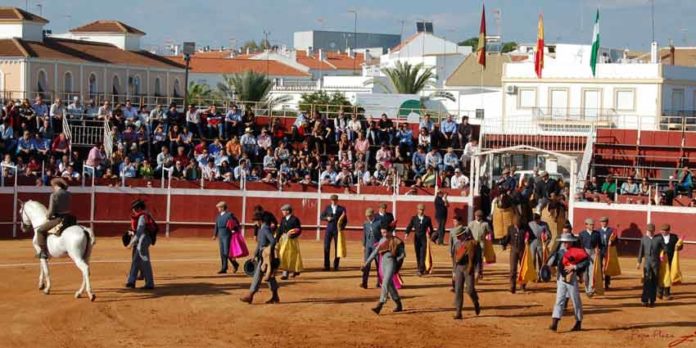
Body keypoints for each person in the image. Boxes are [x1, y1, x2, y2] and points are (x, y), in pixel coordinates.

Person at [547, 232, 589, 332]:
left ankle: (578, 322)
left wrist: (574, 267)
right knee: (559, 300)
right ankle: (555, 322)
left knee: (575, 300)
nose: (565, 244)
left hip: (572, 279)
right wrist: (550, 262)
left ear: (571, 242)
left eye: (567, 242)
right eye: (564, 242)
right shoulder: (560, 252)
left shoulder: (576, 251)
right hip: (561, 278)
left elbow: (586, 261)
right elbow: (551, 263)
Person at [363, 227, 405, 315]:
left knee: (385, 283)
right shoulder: (382, 240)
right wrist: (366, 264)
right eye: (382, 232)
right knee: (390, 285)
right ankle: (399, 304)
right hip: (383, 264)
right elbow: (375, 252)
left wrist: (395, 261)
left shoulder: (397, 241)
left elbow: (402, 255)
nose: (383, 234)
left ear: (390, 232)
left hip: (391, 263)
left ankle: (380, 304)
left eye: (385, 232)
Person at [240, 213, 280, 304]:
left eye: (255, 221)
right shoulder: (262, 229)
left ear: (260, 221)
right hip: (262, 255)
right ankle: (275, 296)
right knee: (268, 277)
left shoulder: (265, 229)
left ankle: (250, 295)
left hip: (266, 257)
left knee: (262, 276)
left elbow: (273, 241)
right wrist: (255, 255)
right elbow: (259, 244)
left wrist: (268, 251)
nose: (254, 223)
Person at [35, 178, 72, 259]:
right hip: (69, 219)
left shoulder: (54, 195)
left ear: (56, 185)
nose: (52, 187)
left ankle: (44, 252)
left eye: (52, 186)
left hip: (59, 219)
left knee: (40, 231)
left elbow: (51, 210)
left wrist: (48, 216)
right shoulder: (69, 193)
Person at [452, 226, 481, 320]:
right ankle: (458, 312)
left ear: (464, 234)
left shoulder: (473, 243)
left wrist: (477, 271)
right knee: (458, 290)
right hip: (459, 268)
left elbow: (478, 259)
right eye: (457, 236)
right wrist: (454, 271)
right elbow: (454, 259)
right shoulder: (456, 244)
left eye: (459, 235)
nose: (457, 237)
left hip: (469, 267)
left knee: (470, 289)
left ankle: (475, 301)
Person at [125, 199, 155, 289]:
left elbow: (140, 231)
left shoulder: (142, 216)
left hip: (143, 240)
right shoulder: (144, 215)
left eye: (134, 208)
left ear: (138, 208)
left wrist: (131, 243)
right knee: (136, 260)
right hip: (142, 239)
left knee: (144, 261)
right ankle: (131, 281)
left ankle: (149, 284)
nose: (133, 210)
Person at [501, 215, 533, 294]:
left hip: (523, 250)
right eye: (515, 224)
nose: (516, 226)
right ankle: (512, 287)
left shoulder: (525, 228)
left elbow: (532, 237)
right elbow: (507, 238)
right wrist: (503, 244)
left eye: (518, 224)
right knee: (513, 270)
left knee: (524, 269)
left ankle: (522, 286)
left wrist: (528, 241)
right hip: (514, 250)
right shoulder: (510, 228)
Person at [637, 223, 662, 307]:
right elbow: (641, 251)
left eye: (651, 231)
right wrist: (639, 262)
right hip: (647, 263)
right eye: (648, 231)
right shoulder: (643, 239)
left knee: (654, 281)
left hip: (656, 263)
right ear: (646, 230)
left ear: (654, 231)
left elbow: (663, 249)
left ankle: (652, 300)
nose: (650, 232)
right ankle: (644, 299)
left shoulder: (659, 239)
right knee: (647, 281)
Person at [405, 204, 434, 276]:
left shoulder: (427, 219)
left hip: (424, 238)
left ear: (424, 210)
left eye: (422, 210)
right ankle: (420, 268)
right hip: (416, 238)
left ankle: (421, 270)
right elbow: (410, 226)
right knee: (418, 253)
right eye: (420, 210)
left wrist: (431, 235)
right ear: (417, 210)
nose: (421, 211)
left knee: (423, 254)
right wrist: (406, 233)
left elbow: (431, 228)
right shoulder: (414, 218)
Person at [212, 201, 240, 274]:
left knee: (227, 252)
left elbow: (236, 223)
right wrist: (215, 234)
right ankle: (224, 268)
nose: (218, 209)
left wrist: (234, 230)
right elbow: (216, 226)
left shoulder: (229, 215)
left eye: (218, 207)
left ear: (222, 208)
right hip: (221, 236)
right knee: (222, 252)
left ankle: (235, 264)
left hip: (227, 235)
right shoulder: (218, 216)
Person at [321, 194, 347, 271]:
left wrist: (341, 228)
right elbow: (321, 217)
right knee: (326, 247)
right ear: (331, 200)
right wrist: (326, 218)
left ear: (337, 200)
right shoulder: (327, 208)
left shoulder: (342, 209)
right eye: (332, 200)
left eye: (335, 200)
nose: (334, 201)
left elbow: (345, 221)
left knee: (337, 248)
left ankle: (336, 266)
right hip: (329, 229)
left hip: (337, 230)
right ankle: (327, 266)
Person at [276, 204, 303, 279]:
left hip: (292, 240)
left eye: (283, 210)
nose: (282, 212)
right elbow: (280, 230)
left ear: (288, 211)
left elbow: (298, 229)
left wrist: (292, 235)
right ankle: (286, 272)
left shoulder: (294, 219)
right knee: (283, 254)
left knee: (292, 255)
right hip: (284, 239)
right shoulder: (283, 219)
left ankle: (294, 270)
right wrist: (277, 239)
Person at [658, 224, 681, 300]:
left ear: (669, 231)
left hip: (670, 259)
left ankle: (666, 293)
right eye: (662, 231)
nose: (663, 232)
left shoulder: (674, 237)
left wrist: (679, 246)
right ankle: (659, 292)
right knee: (660, 275)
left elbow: (680, 246)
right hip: (660, 260)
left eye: (665, 231)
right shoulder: (657, 237)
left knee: (668, 276)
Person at [578, 218, 601, 297]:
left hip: (593, 253)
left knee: (592, 271)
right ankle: (587, 288)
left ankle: (591, 289)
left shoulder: (597, 234)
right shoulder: (582, 234)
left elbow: (599, 244)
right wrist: (584, 254)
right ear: (586, 225)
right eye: (590, 225)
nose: (592, 226)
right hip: (584, 253)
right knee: (585, 273)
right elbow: (580, 246)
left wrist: (598, 250)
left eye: (593, 225)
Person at [361, 208, 382, 289]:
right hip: (368, 246)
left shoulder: (379, 222)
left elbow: (382, 235)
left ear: (373, 214)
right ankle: (364, 282)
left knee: (378, 266)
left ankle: (379, 282)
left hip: (377, 247)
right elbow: (364, 235)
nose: (368, 217)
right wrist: (363, 245)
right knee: (366, 265)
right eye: (367, 216)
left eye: (370, 216)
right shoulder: (365, 223)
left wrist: (381, 245)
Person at [467, 210, 492, 279]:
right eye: (475, 216)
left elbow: (490, 232)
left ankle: (480, 272)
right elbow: (467, 232)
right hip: (472, 243)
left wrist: (488, 237)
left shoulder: (485, 224)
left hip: (481, 243)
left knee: (480, 258)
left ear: (481, 217)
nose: (476, 217)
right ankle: (474, 270)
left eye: (478, 216)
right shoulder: (471, 224)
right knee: (472, 257)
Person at [528, 213, 549, 279]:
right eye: (535, 220)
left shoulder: (544, 224)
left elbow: (549, 234)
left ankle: (541, 274)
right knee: (532, 259)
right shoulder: (530, 224)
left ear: (540, 218)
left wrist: (546, 238)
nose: (536, 221)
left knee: (541, 259)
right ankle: (533, 275)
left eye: (537, 220)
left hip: (541, 243)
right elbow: (527, 233)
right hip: (532, 243)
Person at [597, 216, 615, 289]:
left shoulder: (611, 230)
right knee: (600, 265)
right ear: (600, 223)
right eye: (602, 222)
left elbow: (616, 238)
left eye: (605, 222)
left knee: (607, 266)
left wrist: (612, 241)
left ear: (607, 223)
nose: (603, 223)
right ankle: (600, 281)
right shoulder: (598, 231)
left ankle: (607, 283)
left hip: (608, 249)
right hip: (600, 249)